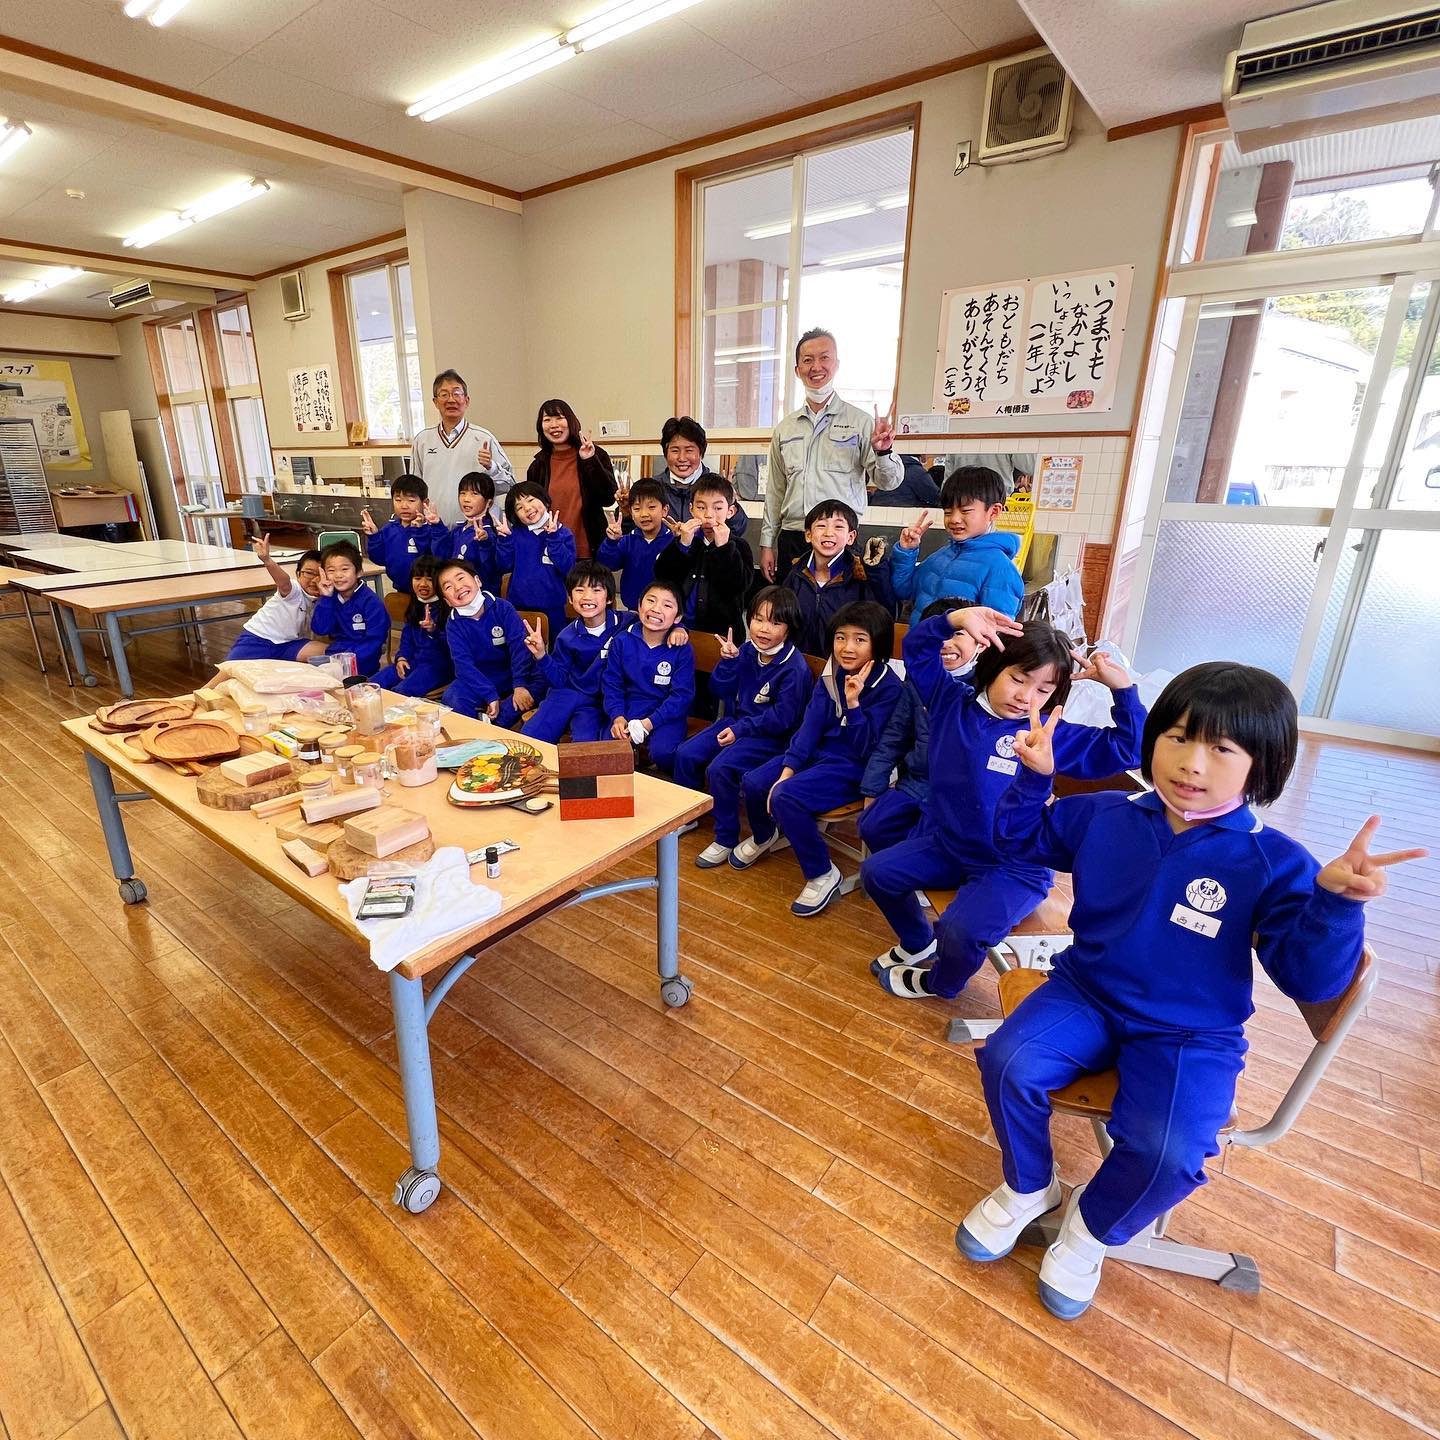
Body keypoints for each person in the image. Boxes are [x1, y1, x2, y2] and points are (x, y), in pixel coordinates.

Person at [961, 663, 1425, 1321]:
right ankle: (1029, 1188)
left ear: (1261, 765)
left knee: (1172, 1148)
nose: (1191, 763)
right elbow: (1020, 841)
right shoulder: (1106, 814)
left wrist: (1336, 904)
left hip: (1192, 1031)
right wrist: (1034, 781)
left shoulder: (1275, 861)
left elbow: (1311, 979)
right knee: (1008, 1060)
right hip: (1087, 991)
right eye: (1177, 737)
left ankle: (1090, 1230)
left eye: (1221, 748)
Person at [864, 613, 1144, 1000]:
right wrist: (953, 620)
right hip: (948, 843)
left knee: (961, 931)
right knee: (877, 872)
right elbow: (917, 649)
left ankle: (940, 983)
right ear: (993, 664)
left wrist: (1123, 690)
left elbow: (1129, 749)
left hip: (1015, 865)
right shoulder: (950, 701)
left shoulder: (1047, 734)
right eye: (1019, 678)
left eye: (1044, 690)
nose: (1027, 697)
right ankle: (918, 941)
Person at [732, 600, 902, 917]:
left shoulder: (890, 687)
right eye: (840, 637)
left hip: (854, 768)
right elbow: (810, 727)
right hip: (820, 756)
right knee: (755, 783)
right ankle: (765, 835)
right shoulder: (831, 673)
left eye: (859, 639)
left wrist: (853, 704)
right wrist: (788, 769)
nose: (847, 647)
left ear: (877, 643)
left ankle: (822, 872)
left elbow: (870, 749)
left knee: (786, 798)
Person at [674, 586, 814, 869]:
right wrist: (728, 662)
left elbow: (782, 719)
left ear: (789, 628)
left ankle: (725, 837)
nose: (764, 629)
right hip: (738, 723)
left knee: (720, 769)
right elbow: (718, 690)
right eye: (758, 619)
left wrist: (741, 730)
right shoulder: (748, 650)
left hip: (771, 737)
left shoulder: (794, 667)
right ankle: (687, 816)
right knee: (686, 754)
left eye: (775, 622)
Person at [761, 328, 902, 582]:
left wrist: (884, 452)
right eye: (807, 360)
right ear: (797, 370)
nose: (816, 366)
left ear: (836, 364)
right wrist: (767, 543)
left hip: (840, 540)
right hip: (794, 538)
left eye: (824, 358)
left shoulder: (860, 422)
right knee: (790, 616)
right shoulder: (785, 429)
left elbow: (888, 482)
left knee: (838, 616)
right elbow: (775, 492)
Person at [856, 596, 972, 852]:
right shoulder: (914, 685)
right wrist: (872, 789)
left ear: (981, 643)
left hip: (958, 793)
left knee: (929, 840)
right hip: (916, 783)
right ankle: (898, 878)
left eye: (958, 635)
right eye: (939, 637)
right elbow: (893, 739)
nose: (946, 645)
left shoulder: (987, 688)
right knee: (872, 825)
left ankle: (913, 880)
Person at [889, 466, 1023, 619]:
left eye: (965, 511)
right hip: (920, 643)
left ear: (993, 512)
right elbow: (904, 590)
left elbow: (995, 632)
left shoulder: (1001, 570)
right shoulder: (940, 556)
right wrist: (906, 552)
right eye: (948, 512)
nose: (954, 519)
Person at [522, 560, 628, 743]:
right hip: (567, 693)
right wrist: (541, 655)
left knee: (583, 748)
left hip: (599, 703)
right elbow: (559, 680)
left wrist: (679, 629)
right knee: (531, 738)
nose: (587, 597)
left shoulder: (627, 623)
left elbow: (657, 621)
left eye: (596, 590)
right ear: (570, 598)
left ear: (610, 598)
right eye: (579, 590)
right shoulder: (566, 636)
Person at [601, 579, 695, 773]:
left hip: (667, 713)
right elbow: (612, 684)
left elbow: (681, 696)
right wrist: (617, 716)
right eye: (651, 601)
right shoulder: (622, 640)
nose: (656, 609)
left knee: (664, 752)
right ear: (639, 605)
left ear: (678, 617)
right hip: (629, 707)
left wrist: (649, 723)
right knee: (607, 747)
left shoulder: (681, 649)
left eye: (667, 605)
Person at [781, 499, 894, 655]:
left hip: (844, 666)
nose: (829, 533)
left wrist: (876, 572)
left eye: (839, 526)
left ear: (851, 537)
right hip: (799, 664)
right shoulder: (796, 574)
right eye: (821, 526)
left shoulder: (860, 576)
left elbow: (884, 617)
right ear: (808, 534)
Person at [436, 558, 537, 726]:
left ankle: (492, 724)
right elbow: (463, 666)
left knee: (527, 695)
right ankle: (477, 731)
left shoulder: (503, 608)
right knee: (452, 697)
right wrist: (489, 694)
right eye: (448, 587)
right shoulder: (453, 624)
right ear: (447, 601)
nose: (457, 587)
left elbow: (520, 649)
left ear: (477, 580)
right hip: (481, 678)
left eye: (461, 578)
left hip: (514, 674)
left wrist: (519, 684)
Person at [653, 473, 754, 637]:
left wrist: (723, 548)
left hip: (723, 634)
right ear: (691, 509)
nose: (708, 515)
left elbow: (738, 586)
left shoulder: (739, 546)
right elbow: (663, 575)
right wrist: (683, 544)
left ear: (730, 511)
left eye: (718, 508)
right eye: (701, 507)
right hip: (681, 628)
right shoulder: (685, 539)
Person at [410, 369, 515, 526]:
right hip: (434, 530)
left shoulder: (484, 438)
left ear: (466, 400)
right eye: (444, 394)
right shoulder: (422, 440)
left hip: (477, 533)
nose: (451, 399)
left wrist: (491, 466)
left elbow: (510, 485)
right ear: (435, 402)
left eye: (457, 393)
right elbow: (414, 489)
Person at [526, 399, 617, 559]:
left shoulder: (595, 454)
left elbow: (608, 498)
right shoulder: (537, 466)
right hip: (552, 549)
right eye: (547, 420)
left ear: (572, 421)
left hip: (588, 549)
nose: (553, 425)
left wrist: (590, 460)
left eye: (560, 417)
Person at [498, 480, 577, 643]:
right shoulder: (515, 534)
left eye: (530, 499)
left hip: (553, 606)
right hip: (519, 606)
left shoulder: (563, 533)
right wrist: (505, 540)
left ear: (545, 500)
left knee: (556, 647)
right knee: (522, 648)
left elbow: (568, 568)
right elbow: (503, 565)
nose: (526, 508)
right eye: (519, 507)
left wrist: (554, 538)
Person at [226, 537, 328, 662]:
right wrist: (267, 560)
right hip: (259, 639)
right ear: (297, 574)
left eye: (319, 574)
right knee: (229, 672)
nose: (314, 580)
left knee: (331, 652)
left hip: (290, 644)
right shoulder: (295, 590)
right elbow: (284, 582)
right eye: (309, 573)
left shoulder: (326, 596)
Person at [651, 416, 749, 537]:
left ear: (701, 453)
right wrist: (626, 511)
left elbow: (738, 530)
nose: (682, 458)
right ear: (665, 454)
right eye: (675, 450)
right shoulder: (653, 488)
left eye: (689, 450)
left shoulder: (716, 486)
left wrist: (730, 500)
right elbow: (632, 531)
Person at [370, 555, 452, 696]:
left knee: (401, 692)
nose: (423, 584)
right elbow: (407, 640)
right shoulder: (416, 605)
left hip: (439, 667)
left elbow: (452, 649)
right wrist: (402, 658)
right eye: (418, 578)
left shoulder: (449, 608)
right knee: (373, 684)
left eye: (430, 580)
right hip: (414, 661)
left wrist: (434, 630)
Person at [310, 541, 388, 677]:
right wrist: (326, 598)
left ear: (359, 572)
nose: (338, 575)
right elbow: (320, 629)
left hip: (362, 663)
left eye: (344, 569)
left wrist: (346, 661)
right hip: (335, 657)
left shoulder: (371, 602)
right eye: (331, 571)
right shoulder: (330, 597)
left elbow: (375, 640)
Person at [597, 477, 675, 611]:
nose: (644, 514)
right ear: (631, 513)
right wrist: (611, 541)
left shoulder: (673, 540)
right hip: (632, 609)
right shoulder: (627, 540)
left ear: (665, 510)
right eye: (637, 508)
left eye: (651, 507)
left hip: (664, 611)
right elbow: (608, 564)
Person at [361, 473, 447, 595]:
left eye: (411, 500)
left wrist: (420, 532)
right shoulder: (389, 529)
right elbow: (379, 559)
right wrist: (374, 536)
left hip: (429, 593)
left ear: (425, 502)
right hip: (400, 591)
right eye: (398, 500)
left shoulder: (431, 529)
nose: (404, 506)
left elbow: (437, 558)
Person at [440, 471, 504, 592]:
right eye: (462, 493)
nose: (466, 499)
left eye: (474, 494)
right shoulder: (457, 531)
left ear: (489, 503)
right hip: (458, 596)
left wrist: (485, 543)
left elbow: (492, 570)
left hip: (482, 600)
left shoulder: (489, 534)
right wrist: (436, 526)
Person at [943, 451, 1034, 496]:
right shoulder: (1010, 424)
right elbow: (1029, 467)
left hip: (961, 501)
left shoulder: (958, 423)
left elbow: (947, 482)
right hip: (997, 499)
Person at [867, 454, 942, 509]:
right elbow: (935, 497)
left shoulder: (891, 467)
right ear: (922, 455)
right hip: (901, 512)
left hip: (875, 506)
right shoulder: (916, 471)